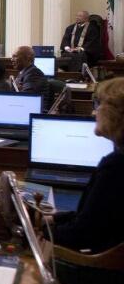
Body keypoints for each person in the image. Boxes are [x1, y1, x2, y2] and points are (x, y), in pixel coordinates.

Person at [52, 77, 124, 253]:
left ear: (115, 114)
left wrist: (39, 231)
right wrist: (53, 219)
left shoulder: (116, 166)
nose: (95, 112)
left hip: (102, 270)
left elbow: (82, 234)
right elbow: (97, 216)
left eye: (98, 104)